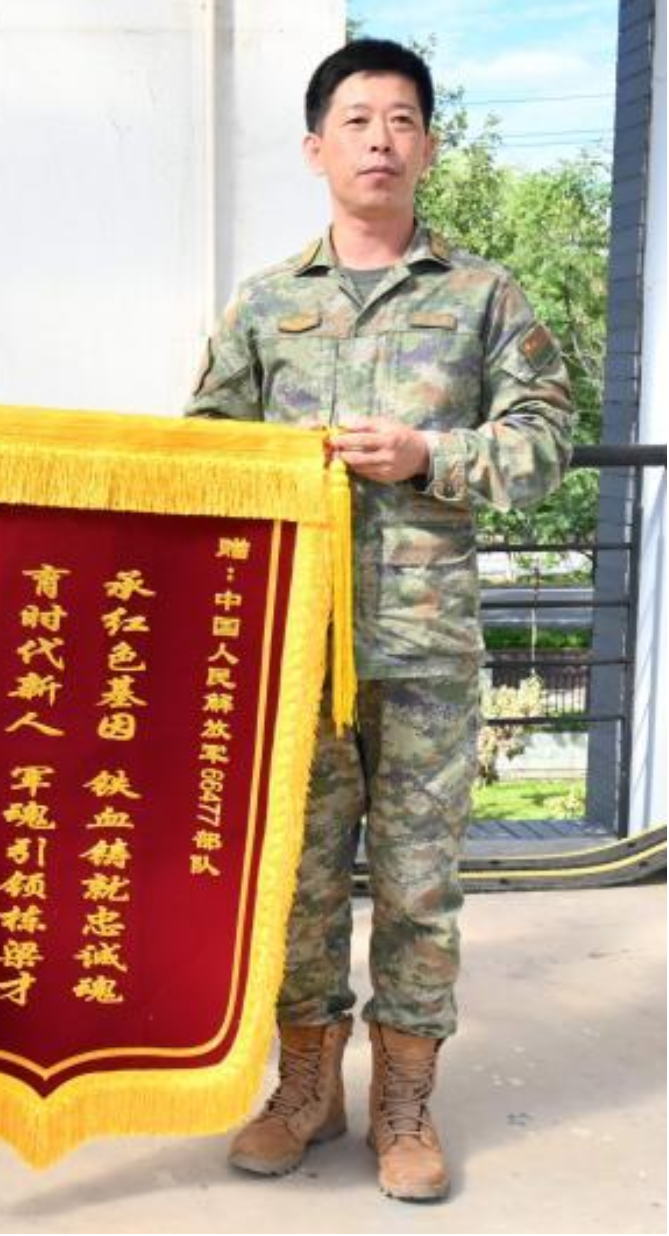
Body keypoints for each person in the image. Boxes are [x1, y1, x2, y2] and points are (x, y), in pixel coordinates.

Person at [186, 37, 573, 1202]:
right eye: (357, 121)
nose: (381, 141)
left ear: (430, 146)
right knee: (297, 882)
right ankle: (306, 1088)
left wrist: (429, 455)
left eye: (402, 120)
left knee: (417, 887)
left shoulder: (484, 296)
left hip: (424, 649)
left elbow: (545, 444)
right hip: (293, 652)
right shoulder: (268, 303)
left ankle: (406, 1103)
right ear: (317, 149)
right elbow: (200, 450)